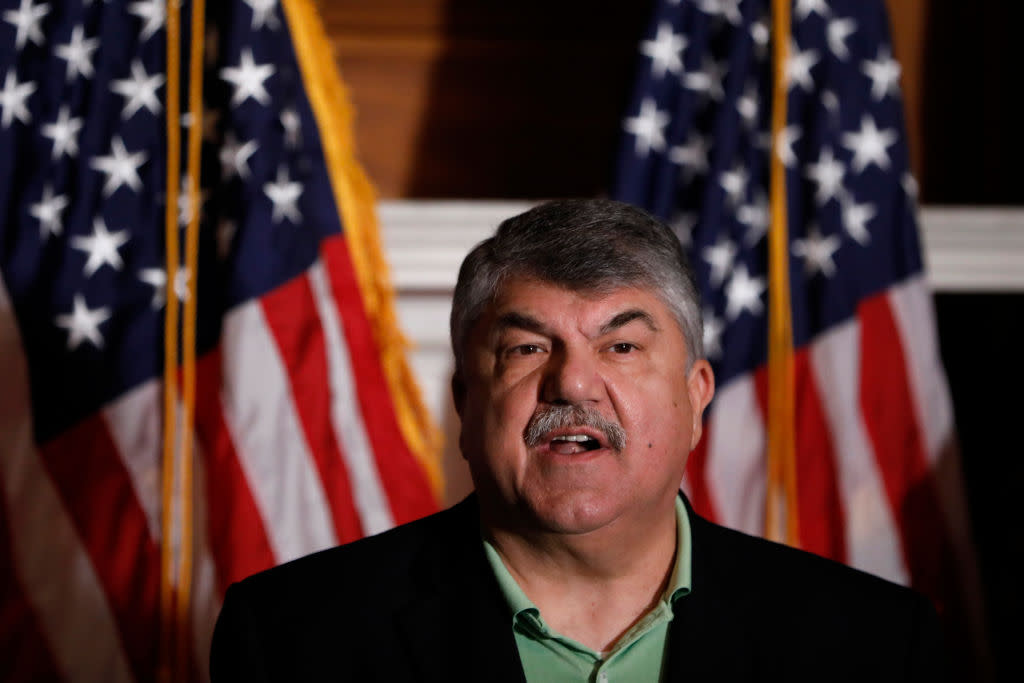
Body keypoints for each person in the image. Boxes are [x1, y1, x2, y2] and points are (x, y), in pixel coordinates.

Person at [210, 199, 943, 682]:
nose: (574, 384)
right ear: (466, 404)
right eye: (528, 349)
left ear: (696, 397)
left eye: (621, 347)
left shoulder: (874, 647)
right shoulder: (291, 641)